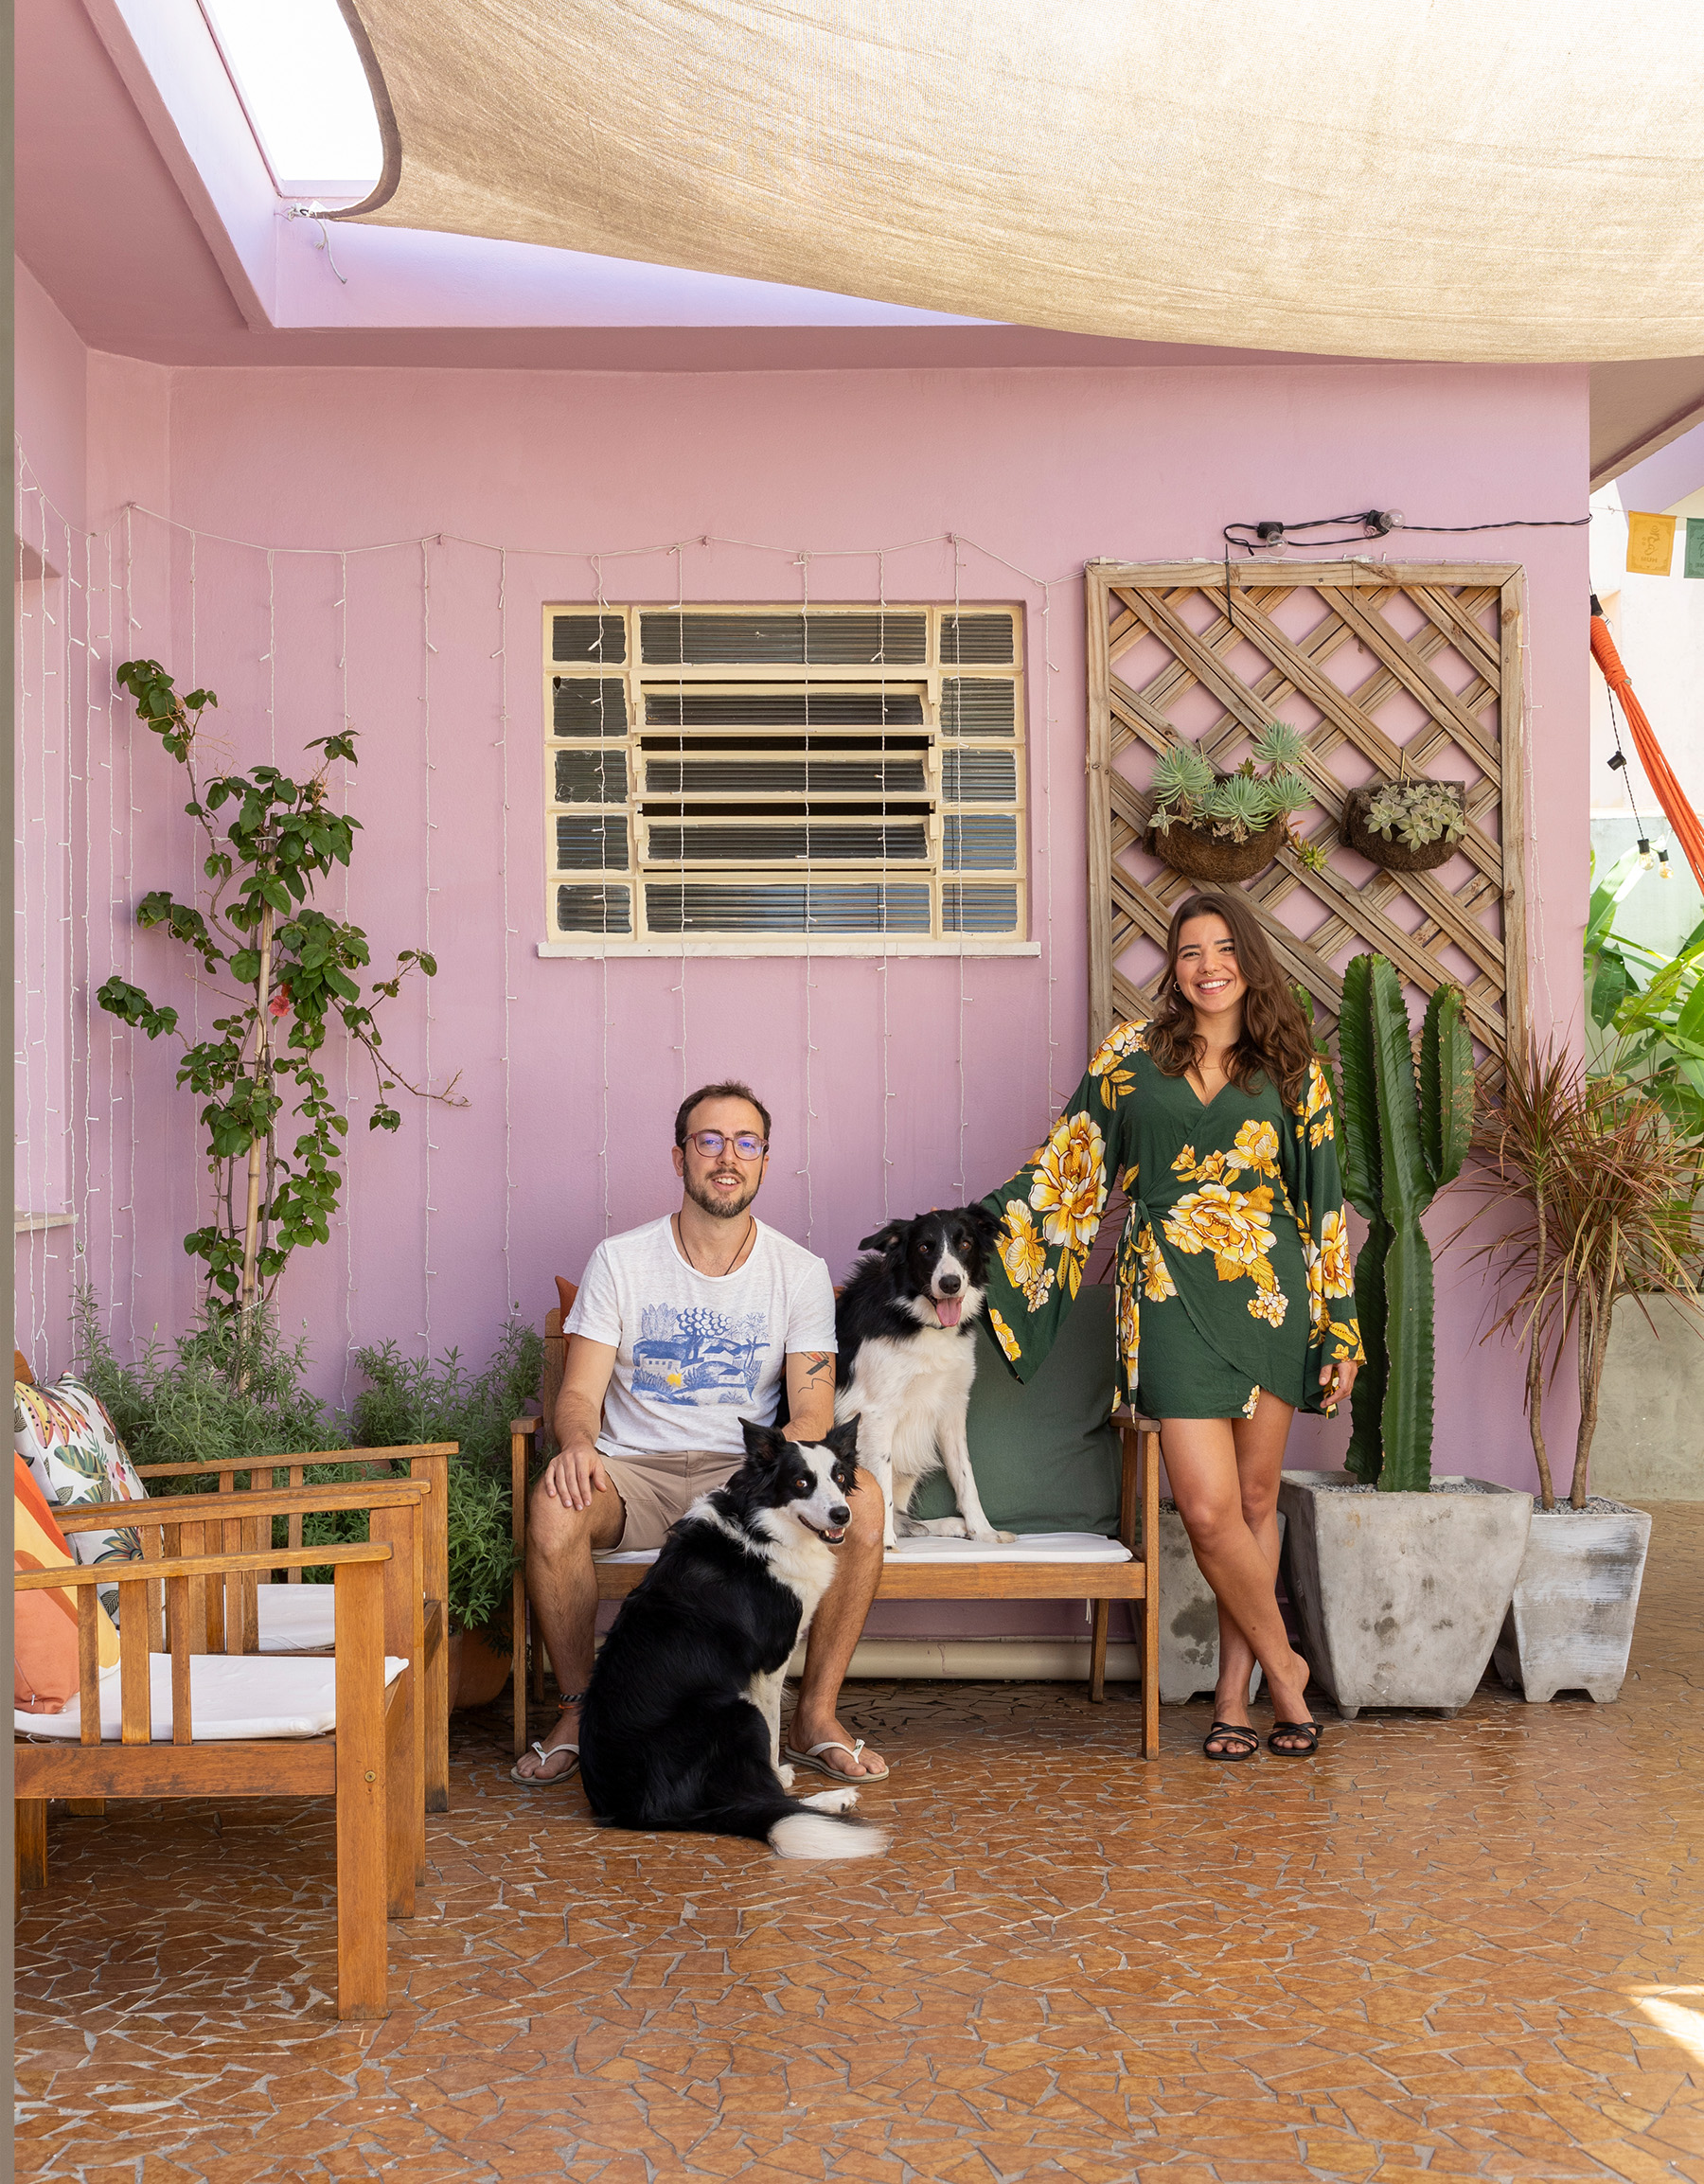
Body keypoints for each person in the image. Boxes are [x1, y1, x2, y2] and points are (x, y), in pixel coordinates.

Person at [978, 891, 1362, 1761]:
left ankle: (1236, 1697)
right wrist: (971, 1232)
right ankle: (1289, 1670)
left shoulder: (1296, 1071)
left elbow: (1325, 1207)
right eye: (1190, 951)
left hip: (1270, 1294)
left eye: (1225, 947)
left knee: (1256, 1500)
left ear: (1250, 959)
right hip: (1165, 1296)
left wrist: (1340, 1325)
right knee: (1206, 1506)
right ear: (1172, 966)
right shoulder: (1130, 1057)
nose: (1208, 965)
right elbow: (1066, 1165)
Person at [512, 1079, 889, 1786]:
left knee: (863, 1508)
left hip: (743, 1471)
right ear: (679, 1156)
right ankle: (577, 1709)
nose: (727, 1157)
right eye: (709, 1140)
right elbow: (579, 1394)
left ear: (765, 1161)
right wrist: (575, 1445)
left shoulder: (799, 1271)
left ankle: (815, 1718)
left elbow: (810, 1411)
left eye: (746, 1143)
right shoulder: (621, 1260)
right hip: (633, 1471)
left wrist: (787, 1471)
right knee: (552, 1506)